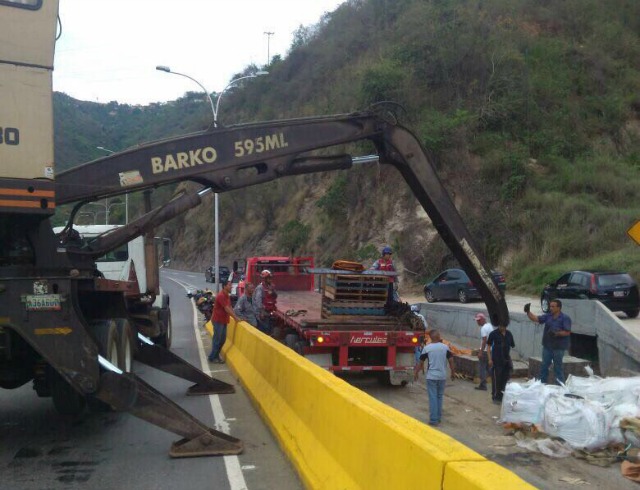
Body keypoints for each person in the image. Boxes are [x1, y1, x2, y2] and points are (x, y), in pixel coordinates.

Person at [413, 329, 455, 426]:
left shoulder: (427, 348)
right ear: (439, 336)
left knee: (433, 397)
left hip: (431, 376)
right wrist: (453, 372)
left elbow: (421, 362)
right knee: (439, 397)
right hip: (442, 376)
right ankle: (438, 417)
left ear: (430, 338)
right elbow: (451, 361)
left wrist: (416, 373)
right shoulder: (445, 348)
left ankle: (433, 420)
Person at [524, 299, 571, 385]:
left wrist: (557, 333)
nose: (551, 308)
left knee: (558, 368)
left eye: (553, 306)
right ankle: (542, 385)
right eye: (550, 306)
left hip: (558, 348)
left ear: (559, 308)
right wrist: (528, 312)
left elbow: (567, 332)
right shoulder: (548, 316)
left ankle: (559, 387)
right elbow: (536, 319)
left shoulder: (565, 318)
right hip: (547, 346)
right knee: (544, 366)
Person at [208, 279, 240, 364]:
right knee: (217, 340)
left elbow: (230, 307)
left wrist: (236, 316)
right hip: (218, 321)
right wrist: (236, 318)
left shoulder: (227, 295)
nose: (231, 287)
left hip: (224, 320)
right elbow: (227, 308)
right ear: (225, 286)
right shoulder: (221, 295)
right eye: (229, 285)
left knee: (222, 340)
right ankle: (212, 357)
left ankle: (216, 355)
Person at [487, 324, 515, 404]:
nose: (501, 327)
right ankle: (496, 397)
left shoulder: (509, 334)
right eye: (500, 325)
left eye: (503, 325)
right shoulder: (493, 334)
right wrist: (489, 359)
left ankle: (502, 396)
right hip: (496, 360)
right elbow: (488, 347)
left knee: (505, 379)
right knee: (496, 379)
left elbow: (512, 346)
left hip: (506, 360)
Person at [474, 313, 496, 391]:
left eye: (479, 320)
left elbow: (484, 340)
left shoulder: (483, 328)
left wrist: (480, 351)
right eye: (477, 321)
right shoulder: (490, 326)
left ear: (483, 319)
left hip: (485, 351)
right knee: (489, 368)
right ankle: (496, 381)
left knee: (482, 368)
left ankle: (483, 385)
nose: (478, 322)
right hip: (491, 350)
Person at [253, 269, 278, 335]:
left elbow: (275, 296)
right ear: (264, 279)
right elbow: (258, 301)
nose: (270, 280)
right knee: (264, 330)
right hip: (262, 313)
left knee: (270, 329)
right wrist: (261, 312)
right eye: (269, 278)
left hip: (269, 311)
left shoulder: (270, 287)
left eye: (270, 278)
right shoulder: (260, 288)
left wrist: (273, 292)